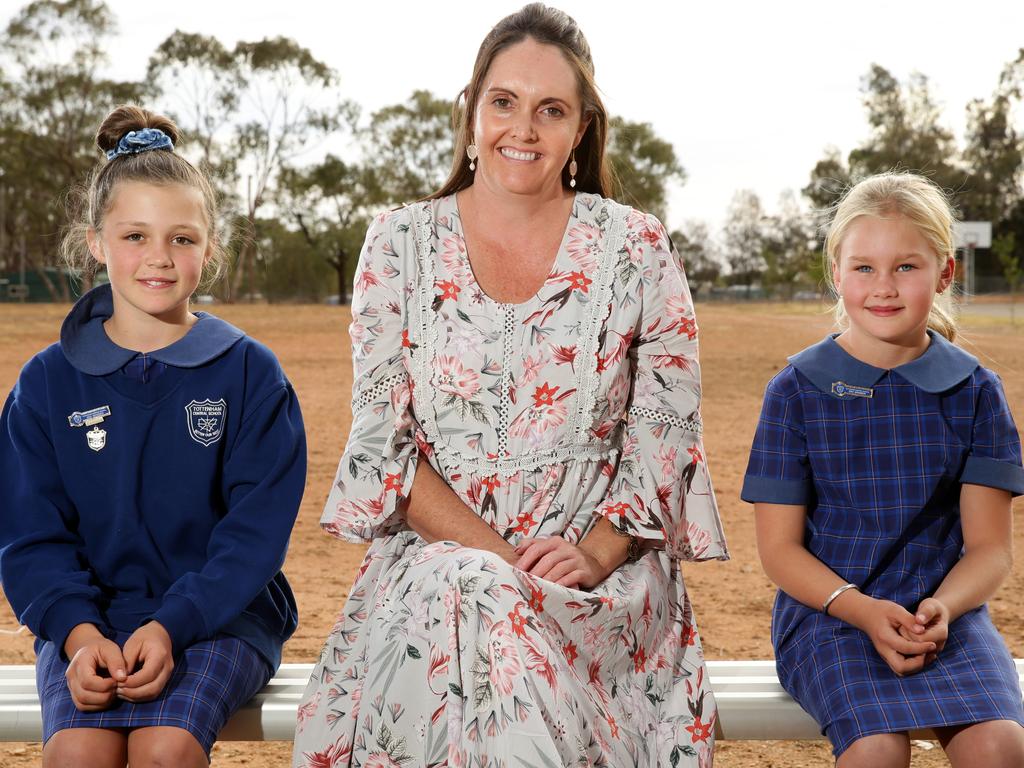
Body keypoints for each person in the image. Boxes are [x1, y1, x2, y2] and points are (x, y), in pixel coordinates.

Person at [292, 4, 728, 766]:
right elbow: (385, 443)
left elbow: (666, 433)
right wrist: (495, 563)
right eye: (503, 102)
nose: (522, 129)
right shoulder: (398, 243)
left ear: (582, 129)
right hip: (434, 564)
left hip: (598, 581)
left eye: (550, 109)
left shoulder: (638, 247)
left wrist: (593, 552)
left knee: (476, 605)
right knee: (464, 594)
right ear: (471, 112)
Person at [0, 105, 307, 768]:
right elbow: (29, 539)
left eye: (183, 239)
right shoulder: (46, 384)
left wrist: (172, 626)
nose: (159, 259)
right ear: (95, 242)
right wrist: (79, 636)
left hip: (218, 618)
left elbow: (253, 538)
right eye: (135, 236)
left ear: (210, 246)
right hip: (90, 620)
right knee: (78, 755)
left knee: (164, 750)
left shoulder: (250, 373)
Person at [742, 172, 1024, 767]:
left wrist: (945, 608)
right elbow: (779, 551)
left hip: (944, 618)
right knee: (876, 751)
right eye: (864, 267)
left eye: (906, 267)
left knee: (1001, 745)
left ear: (945, 273)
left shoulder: (975, 392)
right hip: (831, 615)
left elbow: (990, 550)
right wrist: (863, 610)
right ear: (836, 272)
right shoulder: (795, 391)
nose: (884, 287)